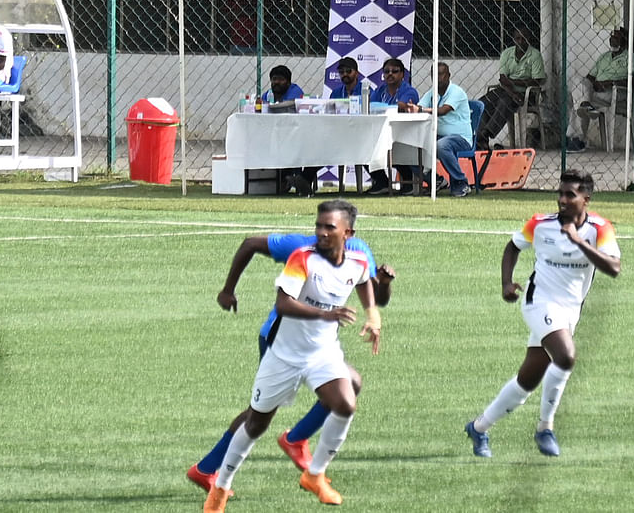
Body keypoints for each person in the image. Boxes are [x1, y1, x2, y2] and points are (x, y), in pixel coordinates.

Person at [192, 212, 389, 502]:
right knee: (258, 415)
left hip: (319, 347)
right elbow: (249, 244)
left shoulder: (359, 252)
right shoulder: (300, 249)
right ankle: (209, 469)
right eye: (320, 225)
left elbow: (373, 296)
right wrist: (228, 290)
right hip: (278, 338)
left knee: (351, 386)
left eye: (330, 227)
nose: (322, 232)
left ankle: (296, 442)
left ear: (347, 232)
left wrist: (381, 287)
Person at [465, 171, 621, 460]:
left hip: (570, 311)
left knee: (528, 381)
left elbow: (613, 268)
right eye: (560, 194)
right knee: (566, 356)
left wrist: (579, 242)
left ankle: (479, 427)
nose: (562, 200)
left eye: (570, 195)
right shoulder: (540, 224)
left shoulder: (600, 229)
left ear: (586, 199)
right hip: (539, 302)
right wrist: (506, 283)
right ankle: (545, 428)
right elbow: (512, 247)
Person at [476, 27, 546, 146]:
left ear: (528, 39)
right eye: (517, 39)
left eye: (523, 39)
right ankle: (481, 139)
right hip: (507, 90)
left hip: (527, 94)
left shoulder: (535, 55)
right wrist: (513, 92)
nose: (520, 42)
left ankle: (486, 134)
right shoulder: (507, 54)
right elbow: (503, 80)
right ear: (513, 39)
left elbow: (536, 81)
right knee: (483, 102)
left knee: (504, 102)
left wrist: (512, 82)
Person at [413, 60, 474, 196]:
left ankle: (461, 183)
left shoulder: (456, 92)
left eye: (441, 74)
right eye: (434, 75)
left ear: (449, 75)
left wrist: (421, 109)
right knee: (411, 145)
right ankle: (436, 181)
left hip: (461, 138)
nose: (438, 78)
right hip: (438, 136)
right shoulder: (432, 93)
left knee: (441, 146)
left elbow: (443, 110)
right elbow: (419, 107)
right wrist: (412, 108)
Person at [366, 59, 421, 194]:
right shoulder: (380, 90)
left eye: (395, 71)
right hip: (380, 132)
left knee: (396, 146)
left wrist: (386, 108)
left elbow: (403, 106)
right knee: (363, 144)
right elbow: (370, 106)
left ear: (402, 74)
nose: (390, 74)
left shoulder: (409, 91)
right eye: (386, 72)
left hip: (404, 133)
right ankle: (381, 182)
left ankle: (408, 181)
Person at [576, 29, 629, 147]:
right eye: (611, 38)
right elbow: (590, 77)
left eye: (616, 38)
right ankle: (587, 105)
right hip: (597, 91)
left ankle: (577, 139)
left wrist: (610, 82)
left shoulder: (630, 57)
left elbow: (633, 80)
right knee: (579, 83)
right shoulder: (604, 57)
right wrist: (595, 84)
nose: (612, 41)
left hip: (615, 91)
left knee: (579, 101)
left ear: (624, 40)